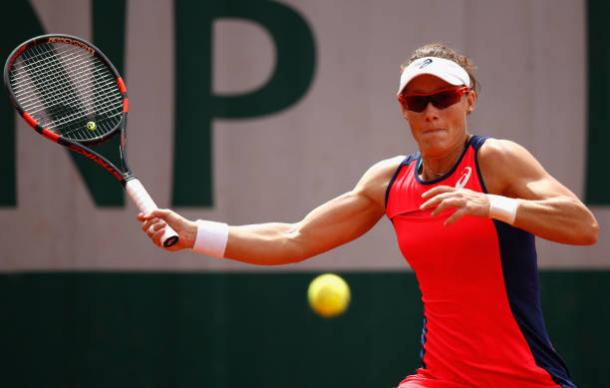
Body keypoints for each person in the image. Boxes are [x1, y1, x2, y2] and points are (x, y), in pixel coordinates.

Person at [138, 43, 599, 387]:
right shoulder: (388, 182)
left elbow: (583, 226)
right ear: (404, 110)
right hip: (440, 378)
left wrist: (490, 204)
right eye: (417, 102)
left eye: (444, 97)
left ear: (469, 100)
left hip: (524, 378)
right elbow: (295, 238)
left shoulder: (496, 160)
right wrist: (196, 233)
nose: (432, 111)